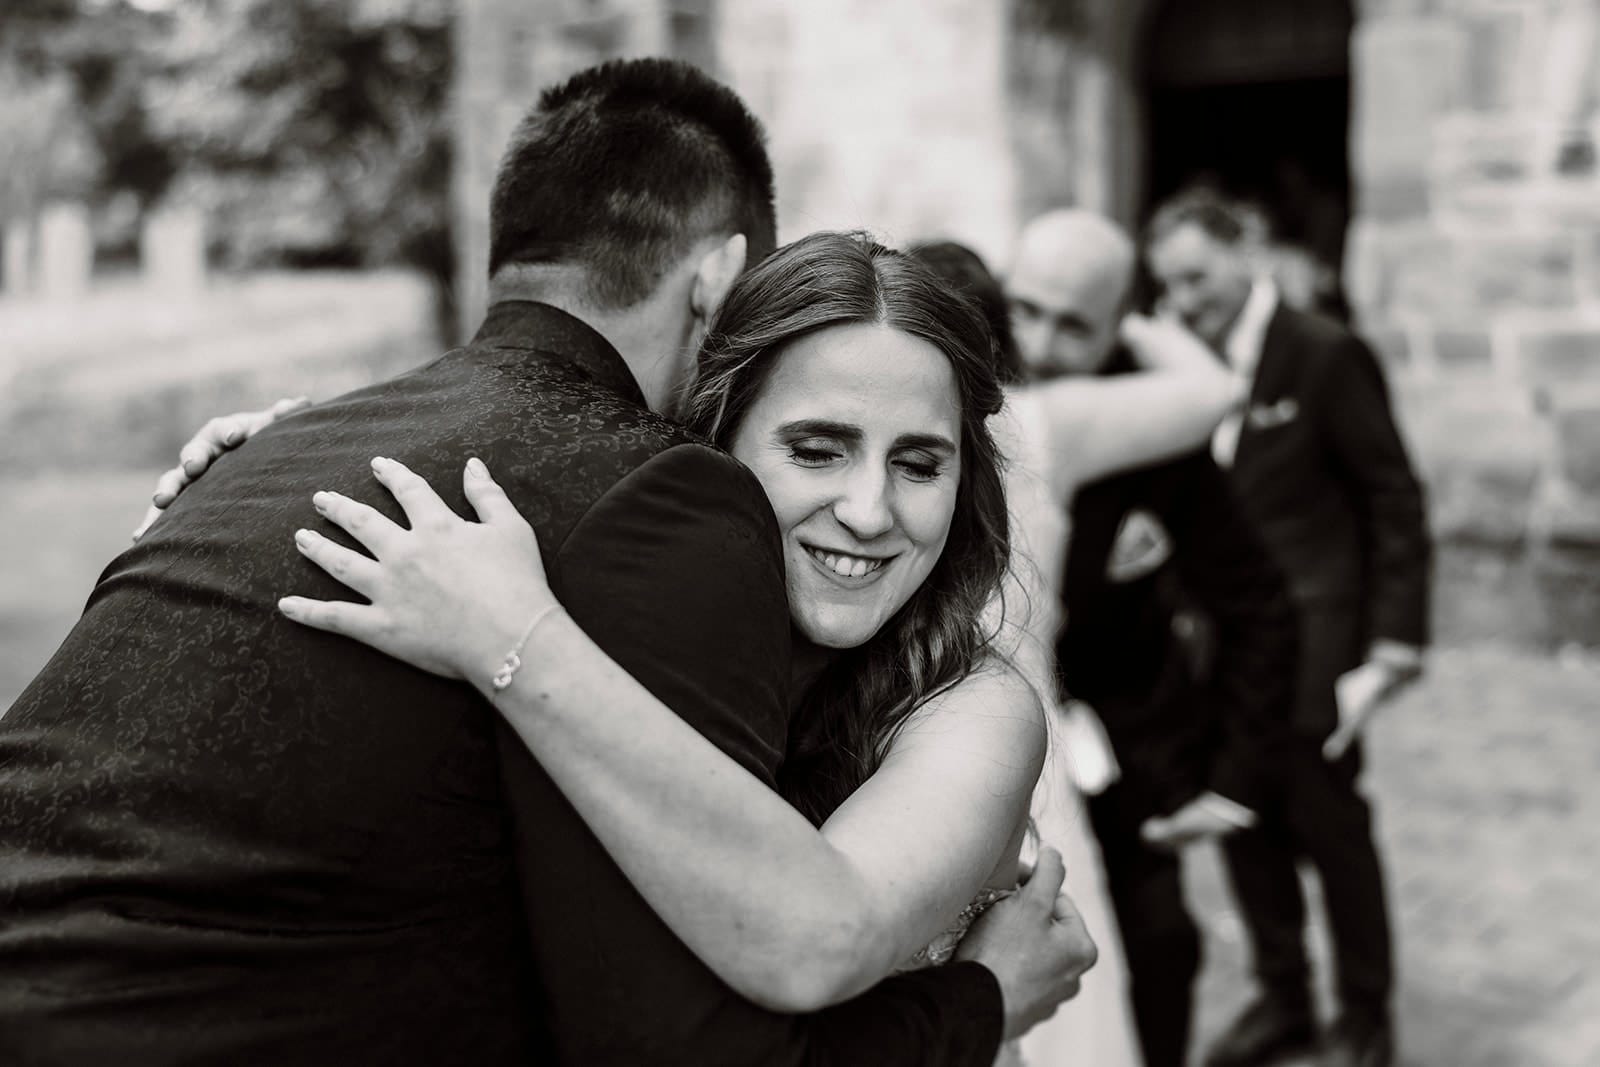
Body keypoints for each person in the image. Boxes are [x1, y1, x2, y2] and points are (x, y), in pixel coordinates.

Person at [0, 61, 1087, 1065]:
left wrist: (513, 634)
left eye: (920, 463)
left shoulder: (970, 708)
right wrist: (301, 454)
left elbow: (817, 939)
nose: (868, 508)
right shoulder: (625, 518)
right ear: (713, 422)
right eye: (814, 448)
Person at [998, 209, 1299, 1067]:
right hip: (1001, 748)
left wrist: (1233, 781)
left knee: (1160, 950)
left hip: (1127, 755)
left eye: (1076, 324)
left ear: (1118, 327)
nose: (1041, 344)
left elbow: (1259, 603)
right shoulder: (968, 395)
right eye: (1027, 308)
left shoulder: (1154, 431)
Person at [1146, 188, 1432, 1067]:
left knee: (1330, 827)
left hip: (1316, 640)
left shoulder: (1323, 353)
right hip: (1217, 646)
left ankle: (1366, 1013)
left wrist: (1391, 643)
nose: (1183, 300)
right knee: (1241, 817)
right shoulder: (1171, 365)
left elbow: (1392, 497)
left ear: (1245, 252)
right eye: (1169, 284)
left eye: (1197, 277)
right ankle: (1284, 996)